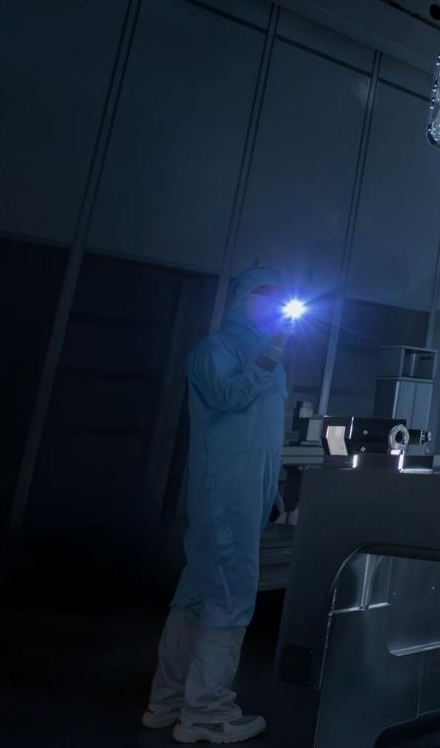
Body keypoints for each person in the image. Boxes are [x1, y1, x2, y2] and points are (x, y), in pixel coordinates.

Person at [142, 267, 293, 743]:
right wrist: (268, 359)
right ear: (241, 300)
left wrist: (274, 486)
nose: (271, 309)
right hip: (222, 493)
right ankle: (206, 713)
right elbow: (228, 396)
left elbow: (261, 433)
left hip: (245, 491)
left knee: (197, 594)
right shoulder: (217, 349)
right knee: (229, 593)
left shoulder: (270, 358)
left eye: (279, 300)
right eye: (262, 299)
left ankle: (167, 701)